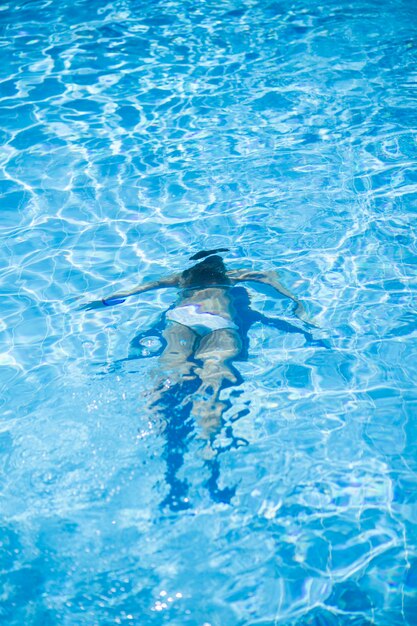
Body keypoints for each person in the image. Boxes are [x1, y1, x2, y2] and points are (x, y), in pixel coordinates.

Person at [84, 248, 324, 443]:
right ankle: (209, 441)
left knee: (170, 366)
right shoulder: (236, 275)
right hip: (220, 321)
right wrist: (298, 307)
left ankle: (150, 422)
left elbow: (137, 290)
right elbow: (270, 280)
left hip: (182, 318)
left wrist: (100, 302)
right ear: (222, 266)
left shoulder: (179, 278)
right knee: (214, 375)